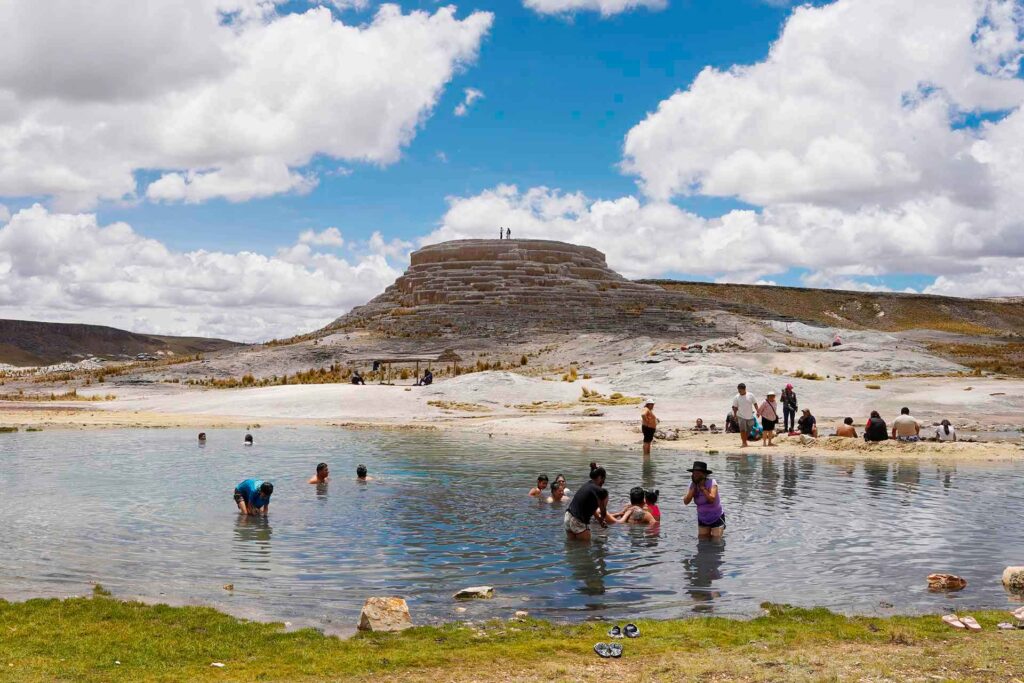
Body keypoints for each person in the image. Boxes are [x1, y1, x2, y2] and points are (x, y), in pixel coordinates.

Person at [564, 466, 608, 541]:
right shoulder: (600, 491)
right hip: (578, 521)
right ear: (601, 477)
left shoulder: (587, 485)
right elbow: (603, 512)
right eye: (604, 480)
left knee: (572, 546)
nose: (603, 483)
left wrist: (600, 520)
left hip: (568, 517)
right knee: (585, 549)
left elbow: (590, 508)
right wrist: (603, 518)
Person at [683, 461, 724, 538]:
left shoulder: (712, 483)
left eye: (698, 473)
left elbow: (711, 499)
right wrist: (692, 490)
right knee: (702, 543)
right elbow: (686, 502)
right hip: (702, 518)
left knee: (716, 542)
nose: (695, 475)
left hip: (716, 517)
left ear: (704, 475)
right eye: (694, 473)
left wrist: (703, 488)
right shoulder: (692, 485)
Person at [731, 383, 759, 448]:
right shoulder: (736, 397)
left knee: (749, 429)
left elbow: (755, 403)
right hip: (741, 416)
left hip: (750, 416)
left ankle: (744, 440)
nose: (739, 391)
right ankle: (744, 443)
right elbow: (735, 407)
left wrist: (758, 411)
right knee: (742, 430)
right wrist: (735, 415)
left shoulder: (751, 395)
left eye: (740, 390)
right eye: (738, 390)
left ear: (744, 389)